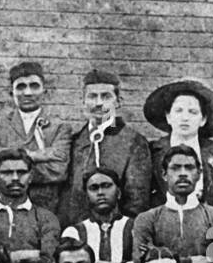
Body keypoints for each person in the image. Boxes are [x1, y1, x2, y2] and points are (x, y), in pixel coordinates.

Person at [57, 68, 152, 227]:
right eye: (92, 96)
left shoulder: (133, 142)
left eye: (106, 96)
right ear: (83, 101)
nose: (99, 103)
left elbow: (137, 199)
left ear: (118, 101)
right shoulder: (74, 141)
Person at [0, 61, 72, 213]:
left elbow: (58, 169)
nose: (27, 93)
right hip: (0, 207)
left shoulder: (59, 128)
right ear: (11, 92)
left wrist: (5, 168)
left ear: (44, 91)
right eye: (21, 87)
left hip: (43, 207)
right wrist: (35, 157)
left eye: (34, 86)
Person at [145, 77, 213, 207]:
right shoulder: (153, 151)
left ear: (203, 119)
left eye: (192, 112)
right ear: (168, 117)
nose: (185, 118)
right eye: (178, 111)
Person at [61, 167, 139, 263]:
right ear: (86, 196)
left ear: (119, 192)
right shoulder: (73, 232)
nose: (101, 192)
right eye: (94, 188)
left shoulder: (136, 228)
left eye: (106, 186)